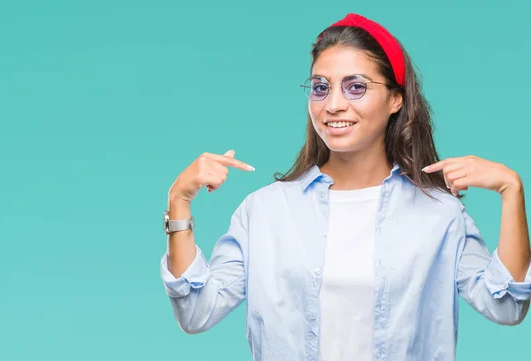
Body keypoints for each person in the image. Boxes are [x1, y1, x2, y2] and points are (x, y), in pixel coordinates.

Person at [159, 12, 531, 361]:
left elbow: (507, 305)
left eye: (355, 87)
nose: (333, 104)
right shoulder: (264, 212)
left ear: (395, 99)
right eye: (321, 87)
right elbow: (196, 313)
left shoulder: (440, 214)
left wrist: (511, 191)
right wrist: (179, 202)